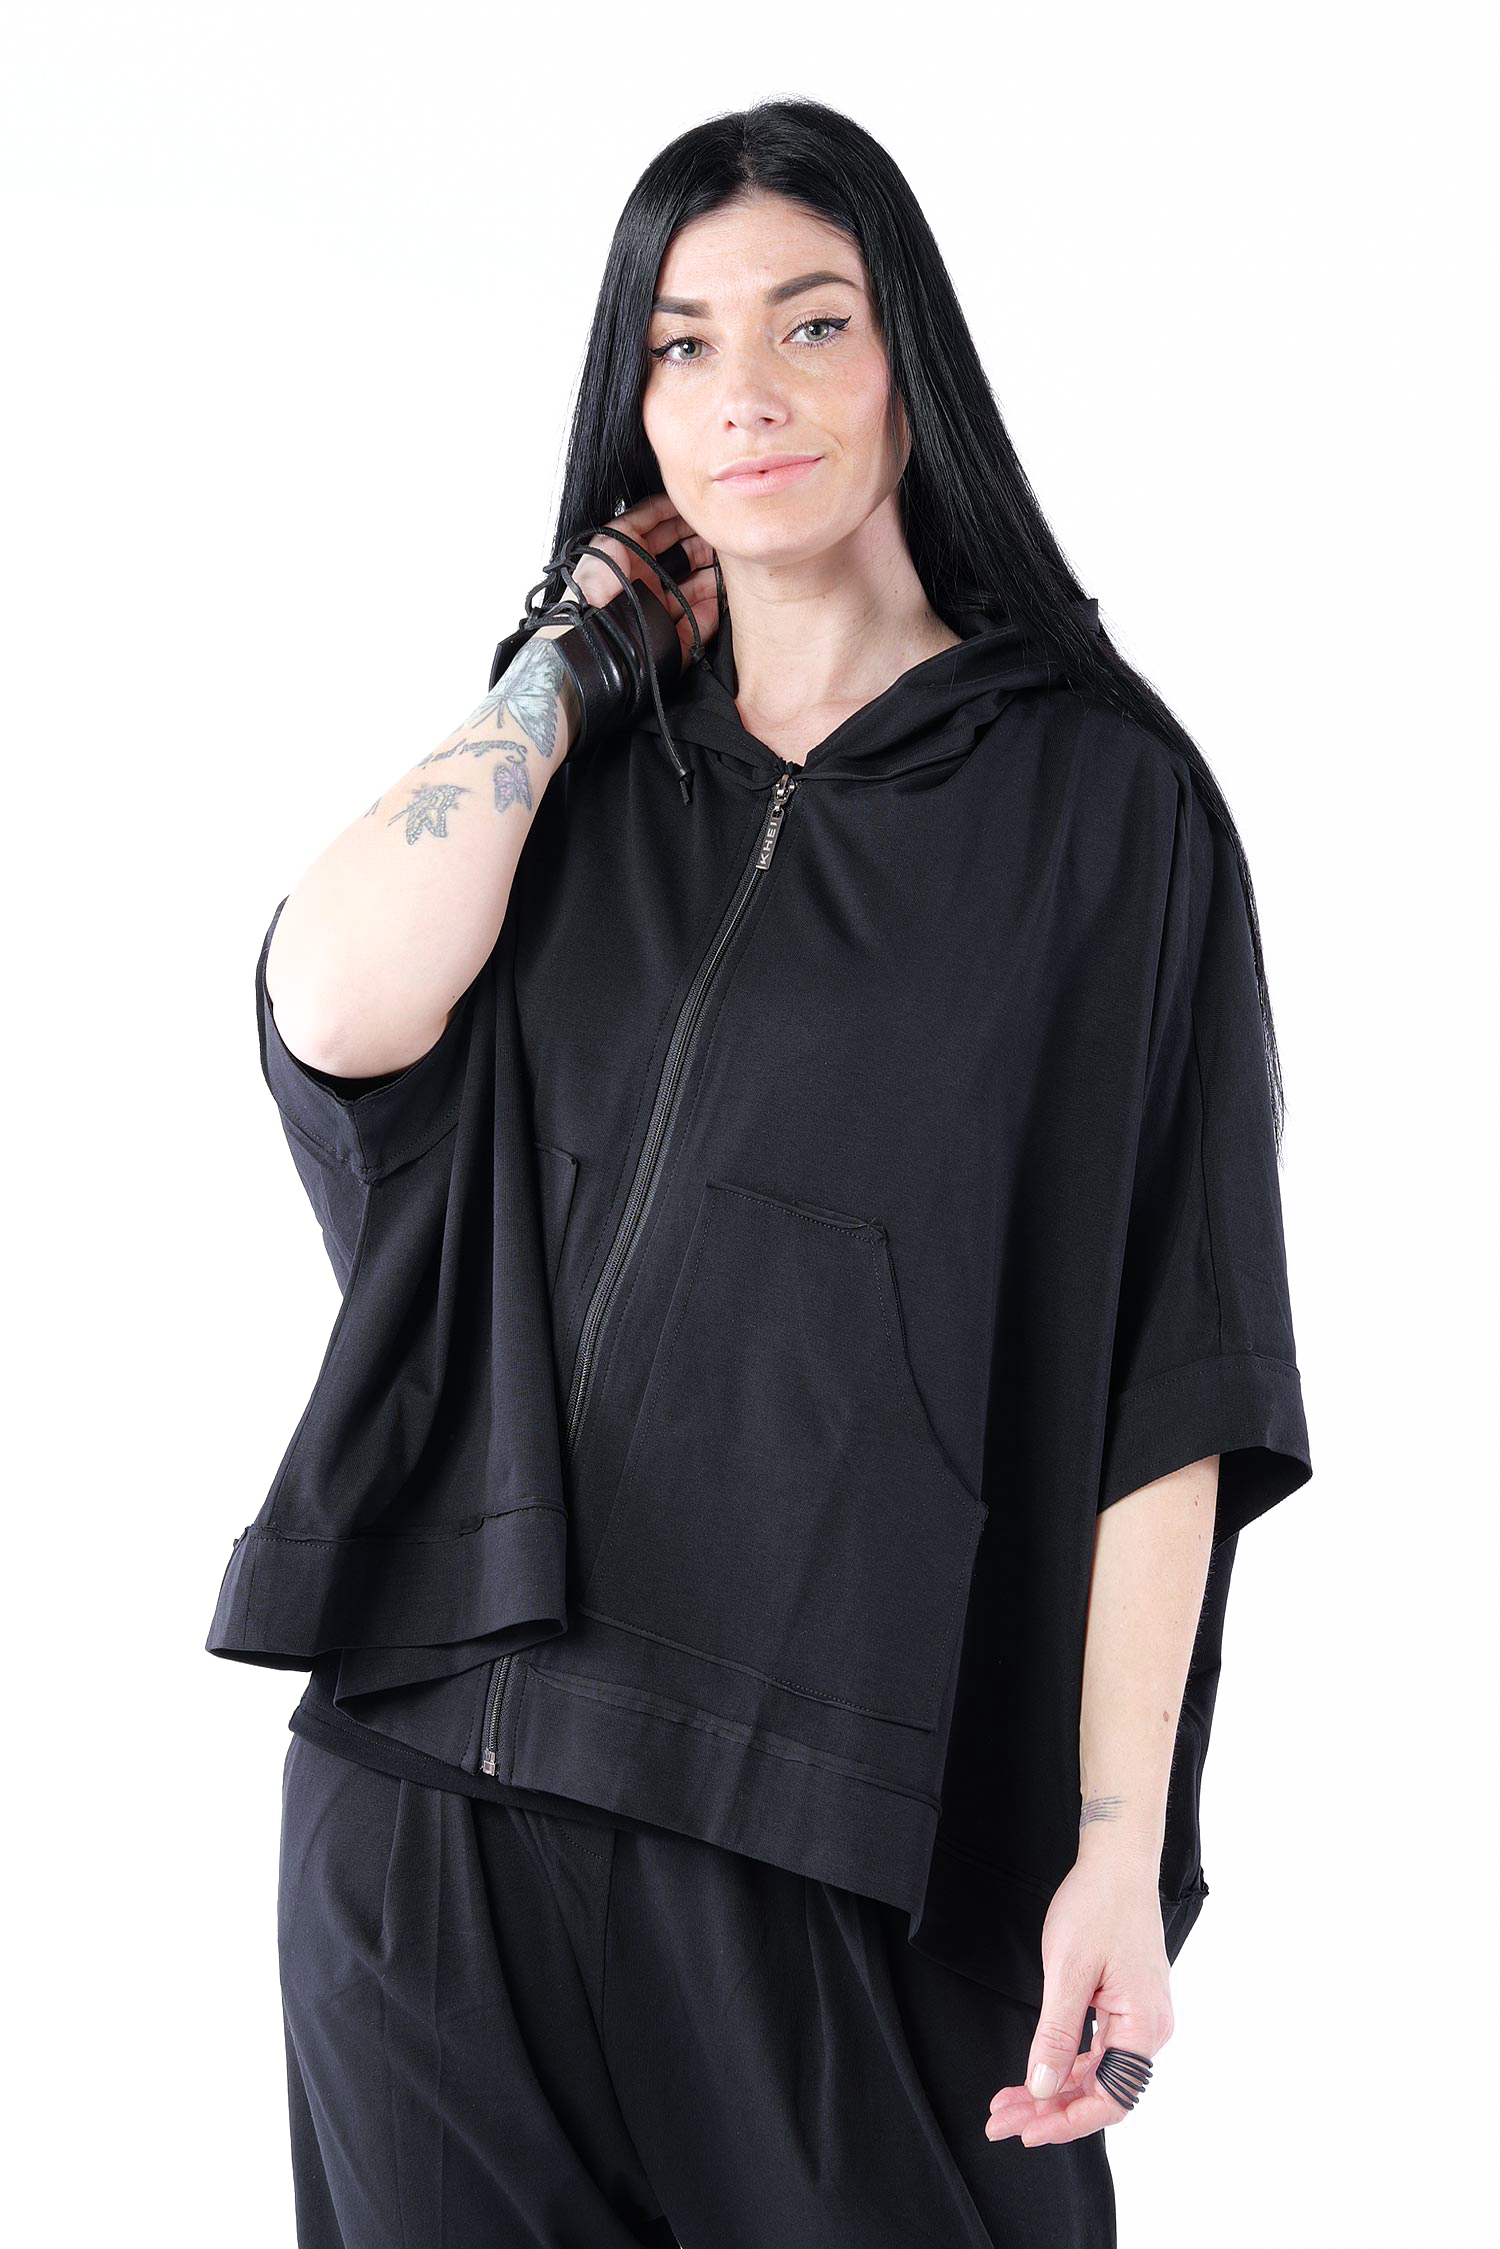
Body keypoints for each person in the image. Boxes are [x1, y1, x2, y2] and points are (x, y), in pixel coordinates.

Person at [211, 98, 1313, 2249]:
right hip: (430, 1800)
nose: (748, 394)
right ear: (633, 403)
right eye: (682, 343)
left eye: (812, 325)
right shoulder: (570, 772)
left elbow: (1168, 1380)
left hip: (830, 1838)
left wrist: (1116, 1850)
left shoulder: (1103, 810)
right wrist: (574, 657)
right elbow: (331, 1005)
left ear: (909, 358)